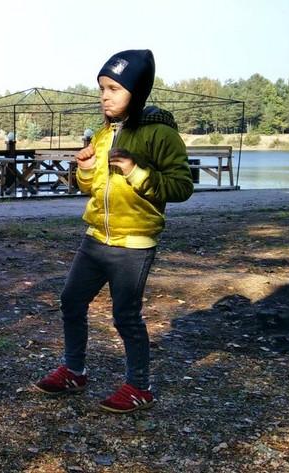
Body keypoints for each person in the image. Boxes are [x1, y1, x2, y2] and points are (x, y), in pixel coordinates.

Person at [32, 50, 194, 413]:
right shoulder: (105, 134)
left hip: (133, 244)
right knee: (71, 300)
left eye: (114, 89)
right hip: (95, 239)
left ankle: (139, 387)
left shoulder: (160, 135)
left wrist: (136, 172)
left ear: (137, 92)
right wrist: (86, 169)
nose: (104, 96)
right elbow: (92, 189)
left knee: (126, 316)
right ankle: (74, 371)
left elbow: (182, 187)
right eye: (102, 89)